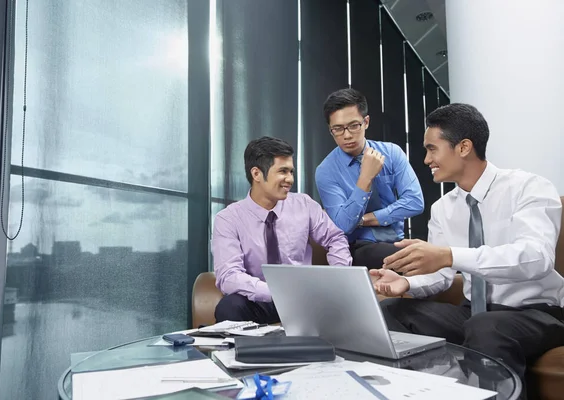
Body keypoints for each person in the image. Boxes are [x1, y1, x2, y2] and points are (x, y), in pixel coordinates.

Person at [373, 103, 564, 395]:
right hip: (473, 313)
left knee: (487, 327)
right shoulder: (443, 209)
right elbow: (443, 274)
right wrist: (406, 282)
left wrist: (449, 254)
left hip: (538, 313)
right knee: (394, 311)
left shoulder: (529, 187)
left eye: (432, 149)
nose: (426, 160)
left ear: (463, 147)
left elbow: (536, 258)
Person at [212, 136, 352, 323]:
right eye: (283, 172)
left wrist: (338, 277)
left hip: (305, 297)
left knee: (343, 304)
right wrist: (274, 292)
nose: (290, 179)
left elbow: (335, 239)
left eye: (291, 172)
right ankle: (249, 352)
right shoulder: (228, 219)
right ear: (256, 174)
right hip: (260, 298)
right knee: (229, 307)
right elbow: (229, 275)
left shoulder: (304, 204)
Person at [315, 88, 424, 269]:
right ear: (330, 130)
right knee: (414, 259)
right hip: (358, 246)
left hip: (396, 241)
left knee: (431, 255)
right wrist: (365, 178)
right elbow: (344, 225)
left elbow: (415, 202)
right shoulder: (326, 171)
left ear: (366, 122)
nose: (347, 135)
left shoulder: (391, 153)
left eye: (353, 125)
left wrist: (365, 219)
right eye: (338, 129)